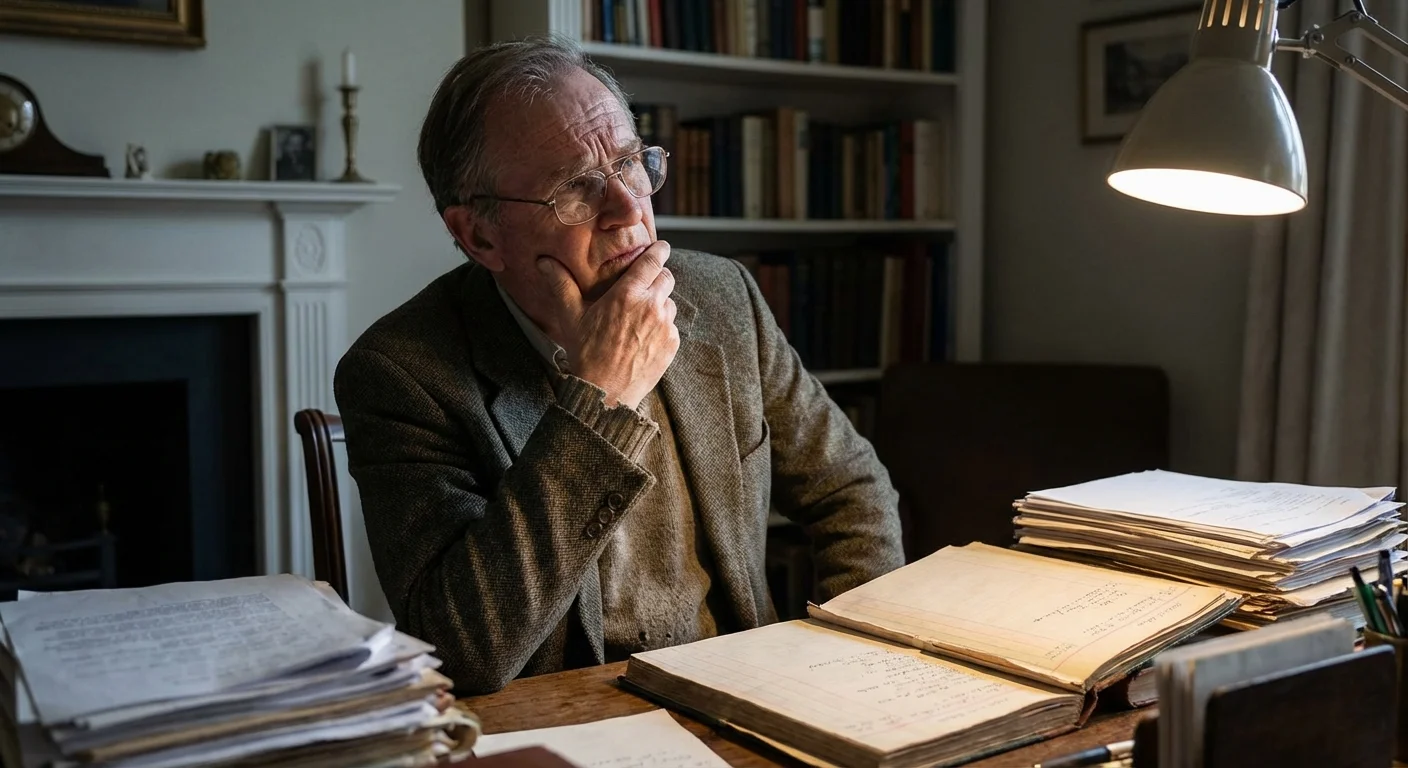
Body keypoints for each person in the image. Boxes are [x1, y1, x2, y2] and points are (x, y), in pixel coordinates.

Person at [333, 36, 904, 695]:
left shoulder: (723, 299)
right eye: (576, 187)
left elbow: (852, 492)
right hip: (570, 724)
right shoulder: (400, 373)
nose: (631, 209)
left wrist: (849, 667)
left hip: (749, 694)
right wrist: (601, 396)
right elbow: (464, 651)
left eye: (631, 163)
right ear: (480, 235)